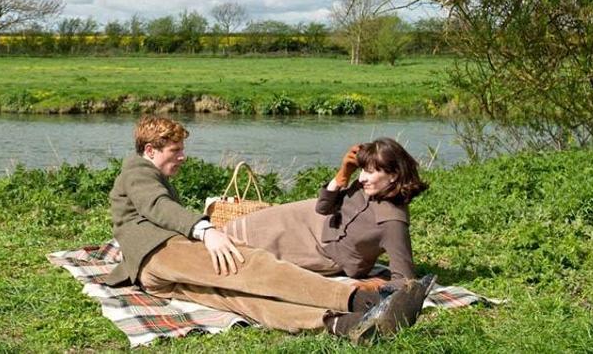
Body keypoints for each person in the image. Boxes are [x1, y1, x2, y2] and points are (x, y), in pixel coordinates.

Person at [105, 116, 432, 342]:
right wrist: (206, 231)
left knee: (240, 298)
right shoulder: (137, 172)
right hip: (159, 253)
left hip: (155, 276)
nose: (183, 157)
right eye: (175, 151)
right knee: (250, 267)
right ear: (150, 151)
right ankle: (360, 302)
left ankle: (340, 324)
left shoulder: (149, 175)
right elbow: (158, 207)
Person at [221, 137, 429, 291]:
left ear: (393, 176)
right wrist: (345, 172)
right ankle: (206, 237)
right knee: (236, 230)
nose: (363, 178)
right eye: (362, 170)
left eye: (371, 172)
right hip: (309, 218)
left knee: (248, 251)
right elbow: (323, 208)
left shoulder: (392, 222)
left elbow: (404, 279)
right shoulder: (367, 187)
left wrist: (371, 285)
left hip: (322, 251)